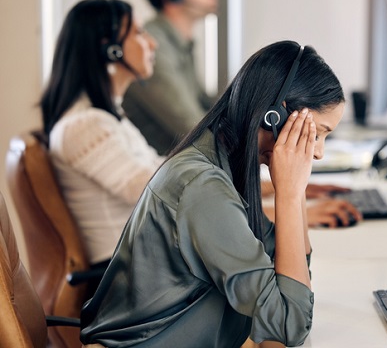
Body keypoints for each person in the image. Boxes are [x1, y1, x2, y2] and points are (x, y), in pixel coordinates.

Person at [80, 41, 345, 347]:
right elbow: (289, 325)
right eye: (319, 133)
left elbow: (290, 275)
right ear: (276, 116)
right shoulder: (203, 186)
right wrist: (289, 194)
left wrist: (295, 191)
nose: (319, 152)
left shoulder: (222, 159)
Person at [124, 0, 360, 228]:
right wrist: (284, 193)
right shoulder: (157, 51)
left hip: (207, 191)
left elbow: (215, 112)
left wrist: (289, 186)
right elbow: (198, 128)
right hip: (184, 199)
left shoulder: (182, 46)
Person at [40, 0, 161, 267]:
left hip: (143, 265)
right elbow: (153, 188)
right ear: (111, 50)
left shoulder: (107, 118)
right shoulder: (83, 126)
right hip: (127, 276)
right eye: (139, 34)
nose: (152, 43)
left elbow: (157, 168)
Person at [122, 0, 219, 155]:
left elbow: (206, 107)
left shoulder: (181, 44)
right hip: (159, 174)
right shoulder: (151, 47)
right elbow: (192, 127)